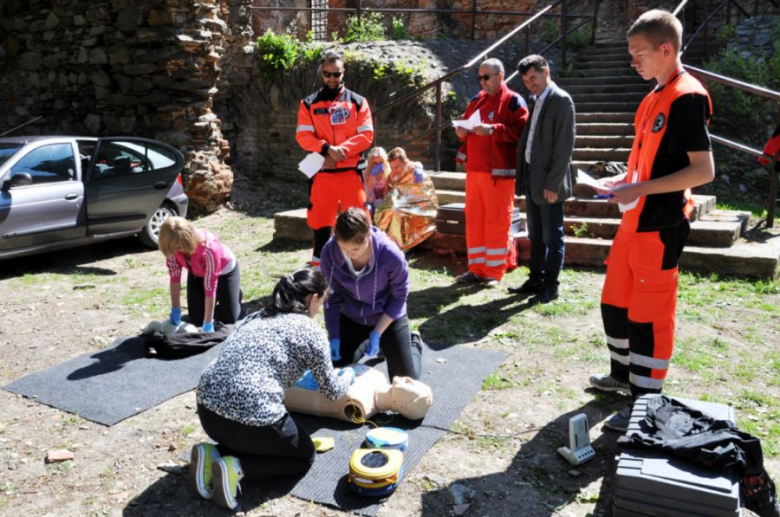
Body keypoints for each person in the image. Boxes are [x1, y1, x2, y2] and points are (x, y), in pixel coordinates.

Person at [588, 10, 715, 432]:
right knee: (615, 303)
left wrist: (637, 190)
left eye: (638, 53)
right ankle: (621, 378)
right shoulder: (651, 97)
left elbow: (703, 171)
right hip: (634, 223)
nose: (633, 62)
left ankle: (645, 405)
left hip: (659, 227)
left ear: (667, 49)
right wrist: (622, 181)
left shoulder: (688, 96)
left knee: (648, 315)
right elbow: (648, 166)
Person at [191, 269, 355, 509]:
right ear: (312, 299)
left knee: (250, 434)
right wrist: (348, 376)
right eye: (322, 301)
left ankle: (213, 454)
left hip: (207, 410)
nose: (320, 308)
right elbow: (331, 391)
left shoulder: (256, 317)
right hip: (252, 417)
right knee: (304, 456)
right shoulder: (310, 330)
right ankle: (237, 468)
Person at [320, 208, 422, 381]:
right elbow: (331, 297)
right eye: (343, 248)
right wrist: (334, 336)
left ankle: (413, 343)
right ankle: (370, 342)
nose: (348, 254)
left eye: (356, 249)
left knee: (406, 384)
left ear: (368, 235)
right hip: (352, 317)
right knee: (334, 374)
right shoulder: (330, 251)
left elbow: (399, 297)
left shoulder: (390, 254)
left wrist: (377, 332)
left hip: (388, 318)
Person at [296, 49, 374, 271]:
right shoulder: (309, 103)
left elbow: (366, 135)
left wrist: (342, 151)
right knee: (321, 222)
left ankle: (364, 265)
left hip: (350, 173)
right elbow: (303, 136)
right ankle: (320, 269)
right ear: (321, 74)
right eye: (327, 74)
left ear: (343, 73)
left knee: (359, 220)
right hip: (323, 174)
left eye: (336, 74)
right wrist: (328, 150)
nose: (332, 79)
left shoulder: (358, 102)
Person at [453, 58, 528, 287]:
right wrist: (462, 131)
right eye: (480, 77)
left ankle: (494, 271)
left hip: (499, 174)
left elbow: (522, 133)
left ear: (500, 76)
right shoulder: (477, 99)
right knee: (475, 219)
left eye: (486, 77)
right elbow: (466, 124)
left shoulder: (513, 100)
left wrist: (493, 130)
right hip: (475, 171)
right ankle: (476, 269)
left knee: (497, 221)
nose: (482, 81)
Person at [508, 54, 575, 304]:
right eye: (525, 81)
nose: (530, 84)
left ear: (546, 71)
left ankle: (551, 285)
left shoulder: (561, 100)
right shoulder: (536, 100)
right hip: (532, 180)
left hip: (549, 184)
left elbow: (564, 147)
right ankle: (535, 278)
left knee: (552, 236)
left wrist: (553, 184)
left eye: (533, 78)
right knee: (535, 235)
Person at [159, 217, 241, 331]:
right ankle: (215, 300)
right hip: (197, 273)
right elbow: (174, 276)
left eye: (177, 248)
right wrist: (175, 308)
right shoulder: (172, 247)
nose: (174, 252)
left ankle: (234, 293)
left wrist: (208, 323)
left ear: (186, 241)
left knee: (229, 318)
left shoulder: (209, 248)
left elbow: (210, 286)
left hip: (224, 271)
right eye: (171, 248)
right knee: (196, 318)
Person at [372, 147, 438, 251]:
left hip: (419, 206)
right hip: (399, 204)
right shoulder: (392, 176)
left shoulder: (414, 171)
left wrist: (419, 167)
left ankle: (397, 247)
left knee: (396, 212)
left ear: (405, 163)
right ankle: (387, 243)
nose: (394, 170)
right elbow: (389, 194)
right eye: (392, 167)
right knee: (388, 209)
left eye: (397, 167)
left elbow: (424, 191)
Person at [364, 147, 391, 216]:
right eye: (375, 163)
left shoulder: (387, 170)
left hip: (382, 204)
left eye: (381, 162)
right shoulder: (366, 171)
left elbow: (387, 193)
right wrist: (371, 176)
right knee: (368, 209)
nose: (378, 165)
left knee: (379, 204)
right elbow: (367, 195)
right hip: (369, 202)